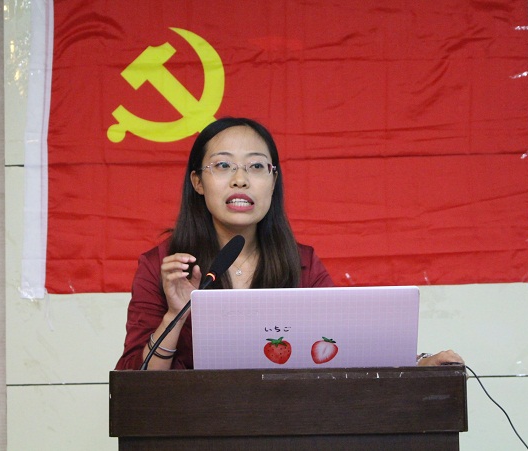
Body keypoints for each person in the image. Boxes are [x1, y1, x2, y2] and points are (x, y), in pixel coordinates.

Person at [115, 117, 463, 370]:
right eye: (223, 165)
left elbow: (342, 345)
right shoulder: (165, 266)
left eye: (256, 166)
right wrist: (175, 314)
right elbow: (135, 382)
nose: (240, 179)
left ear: (273, 180)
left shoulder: (302, 263)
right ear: (198, 182)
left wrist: (417, 362)